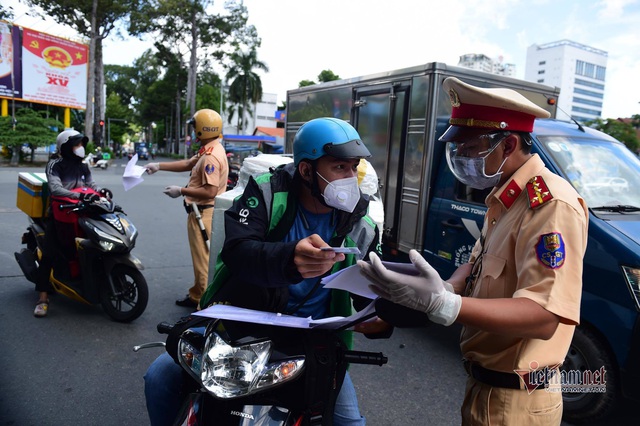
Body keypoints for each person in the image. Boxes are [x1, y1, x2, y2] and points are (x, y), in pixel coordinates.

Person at [359, 77, 589, 425]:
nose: (461, 157)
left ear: (508, 144)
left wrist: (445, 305)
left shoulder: (549, 205)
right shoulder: (505, 197)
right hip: (486, 389)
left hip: (517, 403)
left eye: (469, 148)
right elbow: (478, 269)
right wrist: (438, 289)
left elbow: (544, 316)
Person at [144, 117, 393, 426]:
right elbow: (237, 251)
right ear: (306, 170)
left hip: (315, 340)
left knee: (350, 423)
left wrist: (381, 317)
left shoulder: (361, 222)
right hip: (242, 323)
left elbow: (370, 291)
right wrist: (289, 258)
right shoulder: (266, 193)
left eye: (353, 168)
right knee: (158, 378)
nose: (349, 178)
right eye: (339, 168)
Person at [144, 108, 229, 308]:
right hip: (201, 212)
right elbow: (188, 164)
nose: (192, 131)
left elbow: (210, 191)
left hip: (204, 214)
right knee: (200, 259)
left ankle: (202, 307)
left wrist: (181, 190)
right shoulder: (210, 148)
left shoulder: (210, 157)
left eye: (194, 127)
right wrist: (159, 166)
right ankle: (196, 295)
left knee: (203, 264)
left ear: (202, 129)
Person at [34, 129, 111, 317]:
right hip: (60, 213)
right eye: (77, 144)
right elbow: (56, 189)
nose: (81, 148)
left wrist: (101, 191)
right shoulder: (55, 165)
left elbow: (91, 184)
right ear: (66, 147)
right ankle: (43, 299)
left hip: (82, 211)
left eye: (81, 144)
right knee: (49, 252)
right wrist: (80, 195)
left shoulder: (82, 165)